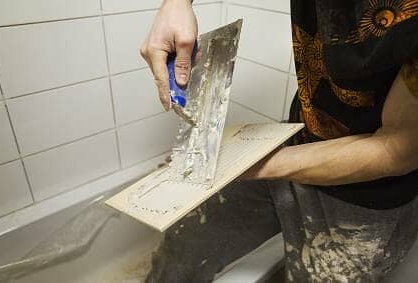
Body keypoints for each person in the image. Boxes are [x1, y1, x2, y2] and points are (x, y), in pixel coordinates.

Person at [140, 0, 418, 282]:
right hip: (298, 138)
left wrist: (242, 162)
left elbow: (396, 148)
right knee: (184, 239)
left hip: (371, 195)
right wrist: (176, 5)